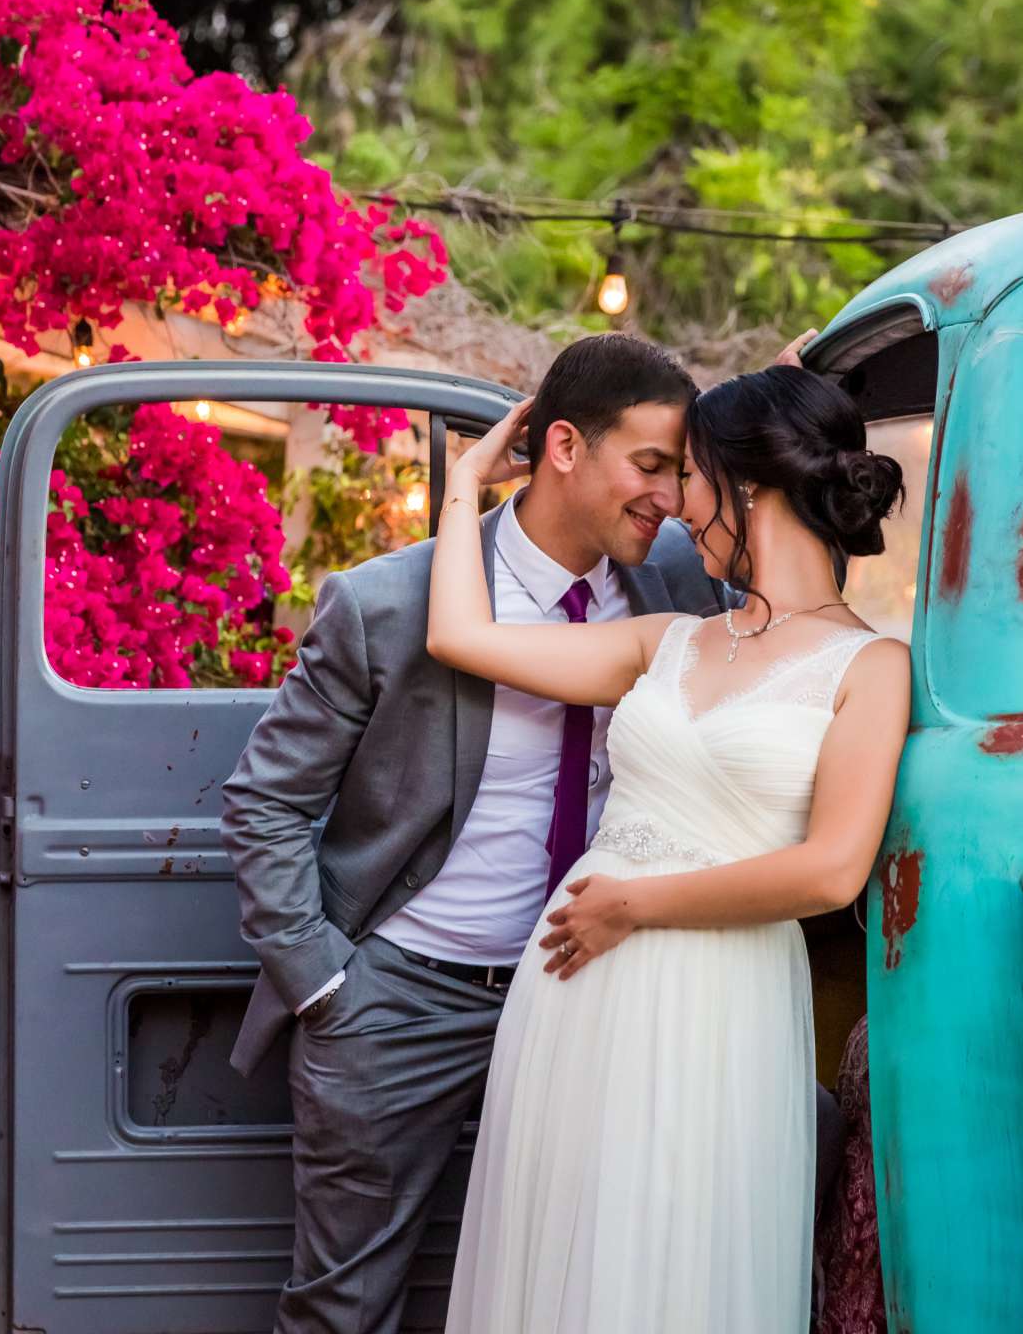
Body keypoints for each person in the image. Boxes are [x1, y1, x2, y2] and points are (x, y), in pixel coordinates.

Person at [220, 333, 725, 1334]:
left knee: (590, 1285)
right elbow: (265, 799)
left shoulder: (679, 585)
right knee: (343, 1306)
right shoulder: (387, 604)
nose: (670, 495)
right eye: (652, 464)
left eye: (681, 470)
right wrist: (327, 983)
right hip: (398, 1000)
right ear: (568, 447)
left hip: (594, 992)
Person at [430, 364, 911, 1334]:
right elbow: (459, 634)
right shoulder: (666, 641)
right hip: (574, 998)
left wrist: (635, 905)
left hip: (714, 1005)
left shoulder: (873, 665)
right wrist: (457, 489)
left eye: (690, 475)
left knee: (673, 1257)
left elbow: (831, 870)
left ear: (749, 482)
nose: (678, 506)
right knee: (559, 1255)